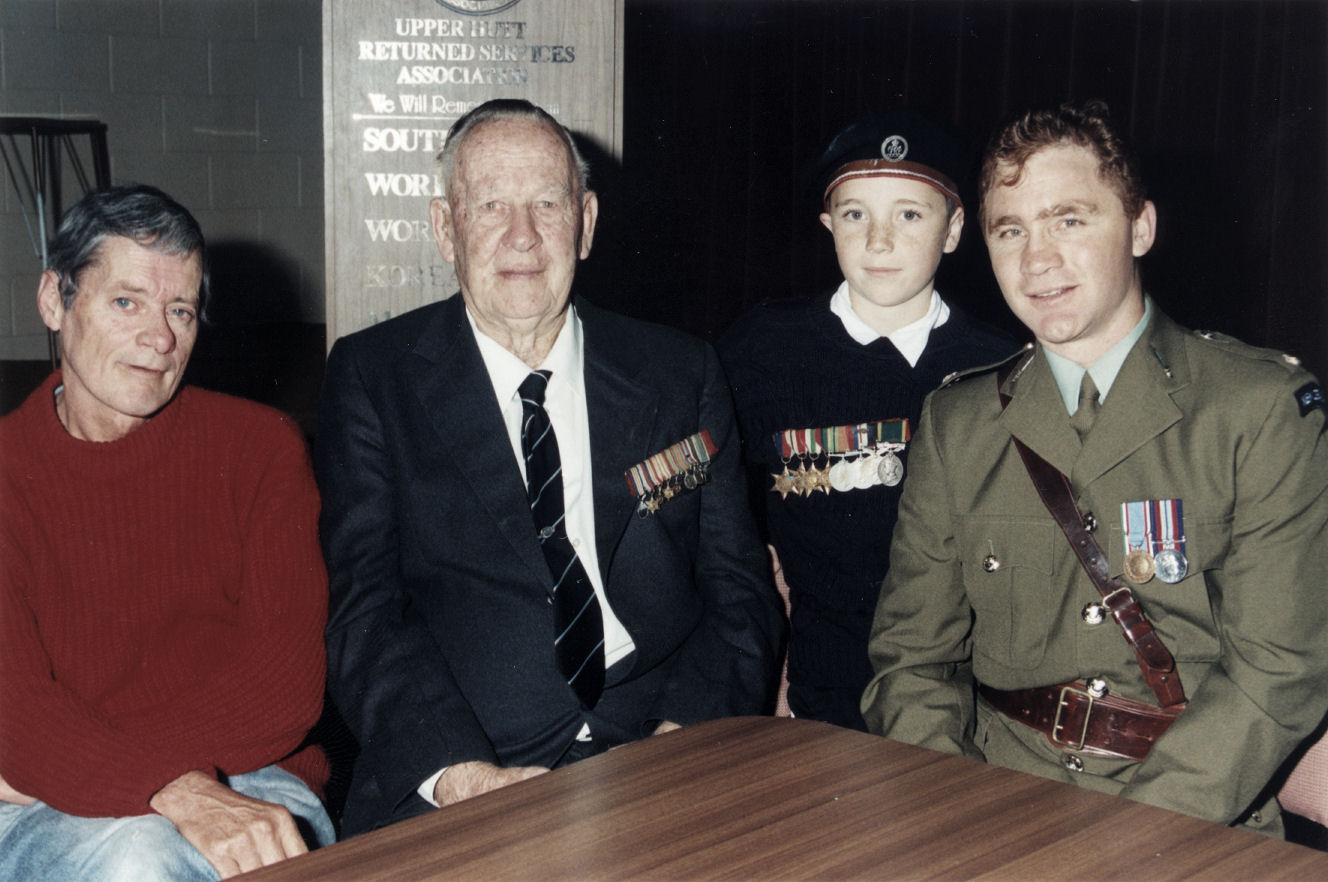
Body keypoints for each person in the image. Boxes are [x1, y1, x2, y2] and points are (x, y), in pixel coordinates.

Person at [316, 99, 782, 836]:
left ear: (587, 223)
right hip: (473, 764)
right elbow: (364, 615)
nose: (523, 237)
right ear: (446, 228)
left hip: (663, 750)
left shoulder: (678, 372)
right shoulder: (376, 379)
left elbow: (738, 592)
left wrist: (685, 740)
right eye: (492, 205)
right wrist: (465, 777)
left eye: (547, 203)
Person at [861, 98, 1328, 833]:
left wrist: (1124, 845)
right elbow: (912, 664)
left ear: (1140, 227)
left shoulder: (1258, 409)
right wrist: (952, 814)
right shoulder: (959, 425)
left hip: (1193, 819)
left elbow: (1279, 673)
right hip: (991, 807)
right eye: (1010, 230)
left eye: (1070, 221)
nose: (1036, 260)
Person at [0, 185, 334, 880]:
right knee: (141, 856)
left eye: (179, 310)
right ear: (54, 301)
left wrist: (71, 758)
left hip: (249, 777)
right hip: (40, 809)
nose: (160, 340)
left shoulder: (259, 449)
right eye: (126, 302)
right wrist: (165, 785)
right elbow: (14, 702)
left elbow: (283, 685)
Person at [718, 110, 1018, 730]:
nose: (879, 241)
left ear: (955, 228)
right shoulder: (762, 351)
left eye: (910, 214)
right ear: (828, 224)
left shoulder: (1002, 365)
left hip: (970, 709)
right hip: (814, 701)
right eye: (856, 214)